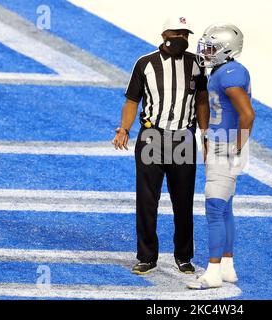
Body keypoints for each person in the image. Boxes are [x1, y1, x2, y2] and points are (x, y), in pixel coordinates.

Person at [112, 17, 209, 275]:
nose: (182, 38)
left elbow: (201, 101)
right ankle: (146, 256)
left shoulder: (196, 64)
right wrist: (124, 129)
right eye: (177, 33)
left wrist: (205, 134)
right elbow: (132, 100)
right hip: (151, 136)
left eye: (186, 34)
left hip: (183, 137)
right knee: (146, 200)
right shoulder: (145, 63)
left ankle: (184, 256)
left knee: (183, 200)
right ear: (165, 33)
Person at [188, 23, 255, 289]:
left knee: (214, 208)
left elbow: (247, 114)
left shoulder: (230, 72)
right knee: (224, 207)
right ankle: (227, 265)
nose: (206, 51)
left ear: (227, 49)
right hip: (220, 142)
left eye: (212, 47)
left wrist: (237, 145)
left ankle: (213, 271)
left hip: (225, 145)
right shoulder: (222, 70)